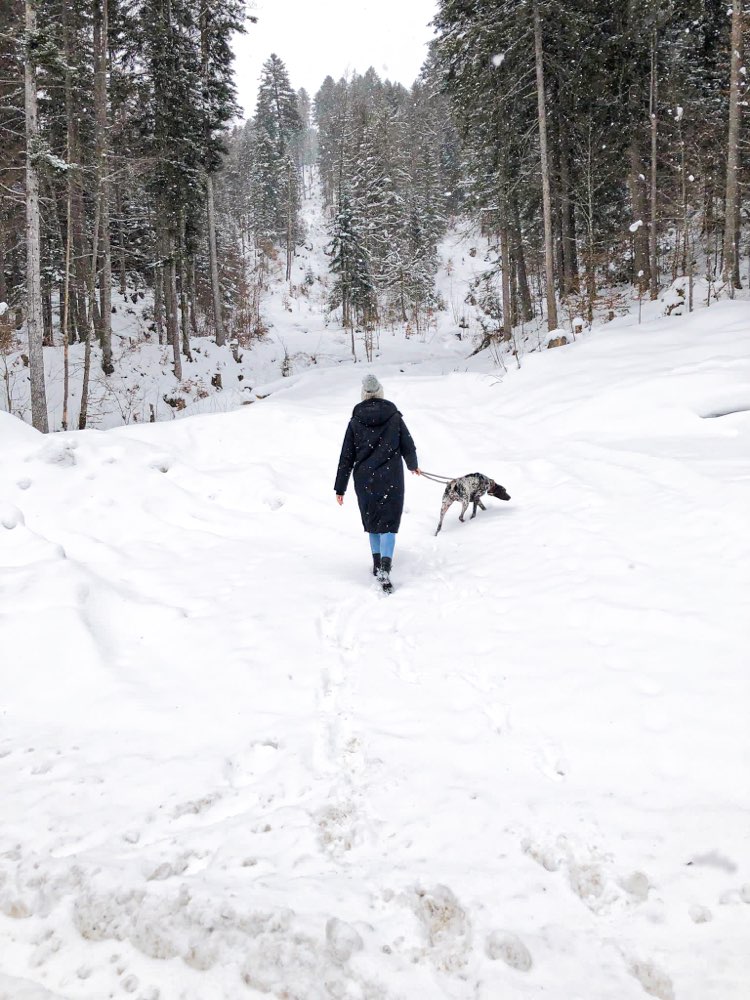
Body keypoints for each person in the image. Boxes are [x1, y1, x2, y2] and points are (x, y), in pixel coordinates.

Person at [335, 374, 421, 592]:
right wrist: (413, 465)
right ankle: (385, 567)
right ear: (381, 392)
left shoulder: (355, 421)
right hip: (391, 477)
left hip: (365, 479)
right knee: (389, 523)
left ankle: (376, 565)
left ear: (363, 395)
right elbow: (407, 445)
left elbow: (346, 456)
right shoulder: (394, 417)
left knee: (373, 521)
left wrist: (340, 487)